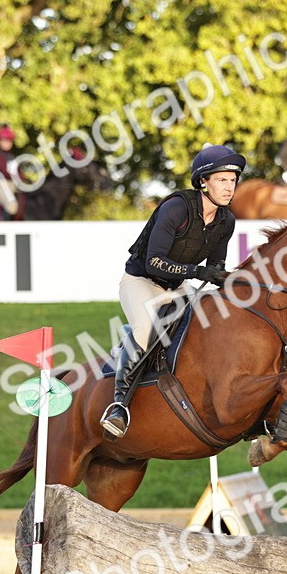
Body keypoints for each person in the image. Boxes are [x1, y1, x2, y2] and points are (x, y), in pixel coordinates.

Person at [99, 144, 244, 439]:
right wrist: (196, 272)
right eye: (222, 180)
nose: (229, 188)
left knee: (209, 323)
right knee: (145, 329)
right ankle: (118, 406)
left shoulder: (225, 220)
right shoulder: (175, 208)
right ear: (203, 182)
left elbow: (215, 266)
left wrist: (233, 280)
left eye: (232, 180)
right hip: (141, 283)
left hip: (177, 287)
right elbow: (154, 262)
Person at [0, 124, 20, 220]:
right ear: (0, 141)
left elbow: (19, 173)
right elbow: (5, 172)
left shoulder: (12, 157)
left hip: (13, 186)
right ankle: (3, 230)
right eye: (4, 140)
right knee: (12, 206)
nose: (7, 143)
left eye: (9, 140)